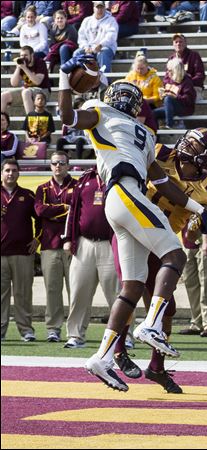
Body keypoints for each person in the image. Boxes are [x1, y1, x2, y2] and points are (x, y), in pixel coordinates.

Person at [59, 67, 207, 391]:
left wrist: (199, 209)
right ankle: (151, 325)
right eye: (124, 95)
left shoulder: (142, 133)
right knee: (174, 254)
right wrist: (63, 79)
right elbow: (67, 116)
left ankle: (101, 357)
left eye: (130, 95)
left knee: (132, 285)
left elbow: (163, 182)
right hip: (125, 193)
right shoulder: (102, 112)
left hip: (123, 201)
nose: (126, 99)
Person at [127, 128, 207, 393]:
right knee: (130, 293)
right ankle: (118, 351)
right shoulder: (160, 153)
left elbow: (192, 228)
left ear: (204, 157)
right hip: (135, 232)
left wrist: (195, 226)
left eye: (193, 144)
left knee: (166, 309)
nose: (185, 145)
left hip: (162, 244)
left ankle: (156, 366)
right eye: (188, 140)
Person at [63, 168, 121, 348]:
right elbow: (73, 210)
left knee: (117, 294)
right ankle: (75, 335)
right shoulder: (85, 179)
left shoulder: (120, 177)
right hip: (84, 243)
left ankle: (123, 337)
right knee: (79, 291)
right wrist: (68, 239)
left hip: (111, 244)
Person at [34, 151, 77, 342]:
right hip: (49, 245)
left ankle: (75, 330)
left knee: (75, 290)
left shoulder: (77, 186)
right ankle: (53, 328)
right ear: (50, 166)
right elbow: (40, 210)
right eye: (54, 163)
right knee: (52, 289)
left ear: (68, 165)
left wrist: (54, 212)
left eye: (61, 163)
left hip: (73, 245)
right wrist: (65, 209)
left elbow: (76, 210)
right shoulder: (42, 188)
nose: (58, 166)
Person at [1, 159, 41, 342]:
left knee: (23, 294)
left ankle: (26, 330)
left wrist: (37, 239)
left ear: (19, 173)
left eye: (14, 170)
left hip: (23, 253)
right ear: (2, 173)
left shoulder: (28, 195)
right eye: (7, 170)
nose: (10, 173)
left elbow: (40, 220)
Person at [179, 221, 207, 337]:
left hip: (204, 242)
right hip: (187, 243)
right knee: (190, 284)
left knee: (206, 284)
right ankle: (197, 322)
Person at [1, 45, 51, 114]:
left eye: (26, 55)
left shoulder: (40, 62)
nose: (23, 58)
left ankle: (31, 122)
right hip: (27, 91)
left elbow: (37, 82)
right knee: (3, 96)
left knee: (25, 92)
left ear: (32, 55)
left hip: (42, 91)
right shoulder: (22, 64)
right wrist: (18, 68)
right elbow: (13, 83)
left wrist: (25, 68)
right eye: (21, 55)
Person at [74, 1, 119, 73]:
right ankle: (78, 79)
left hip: (105, 48)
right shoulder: (87, 20)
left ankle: (105, 80)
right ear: (93, 8)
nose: (99, 10)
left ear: (105, 8)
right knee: (77, 53)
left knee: (102, 53)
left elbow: (111, 36)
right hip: (89, 48)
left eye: (101, 7)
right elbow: (81, 37)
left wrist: (101, 45)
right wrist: (86, 47)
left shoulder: (111, 20)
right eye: (97, 7)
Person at [153, 57, 196, 129]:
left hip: (184, 107)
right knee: (152, 113)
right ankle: (155, 135)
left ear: (176, 71)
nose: (168, 72)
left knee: (168, 99)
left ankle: (169, 125)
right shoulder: (169, 79)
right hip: (170, 107)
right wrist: (163, 93)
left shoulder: (187, 81)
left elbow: (189, 100)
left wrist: (174, 96)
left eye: (170, 70)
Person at [166, 33, 206, 102]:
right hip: (176, 88)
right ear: (173, 44)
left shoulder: (194, 55)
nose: (178, 44)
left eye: (181, 41)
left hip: (193, 88)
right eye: (176, 42)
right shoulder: (171, 58)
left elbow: (200, 75)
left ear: (185, 43)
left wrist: (186, 83)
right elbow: (166, 78)